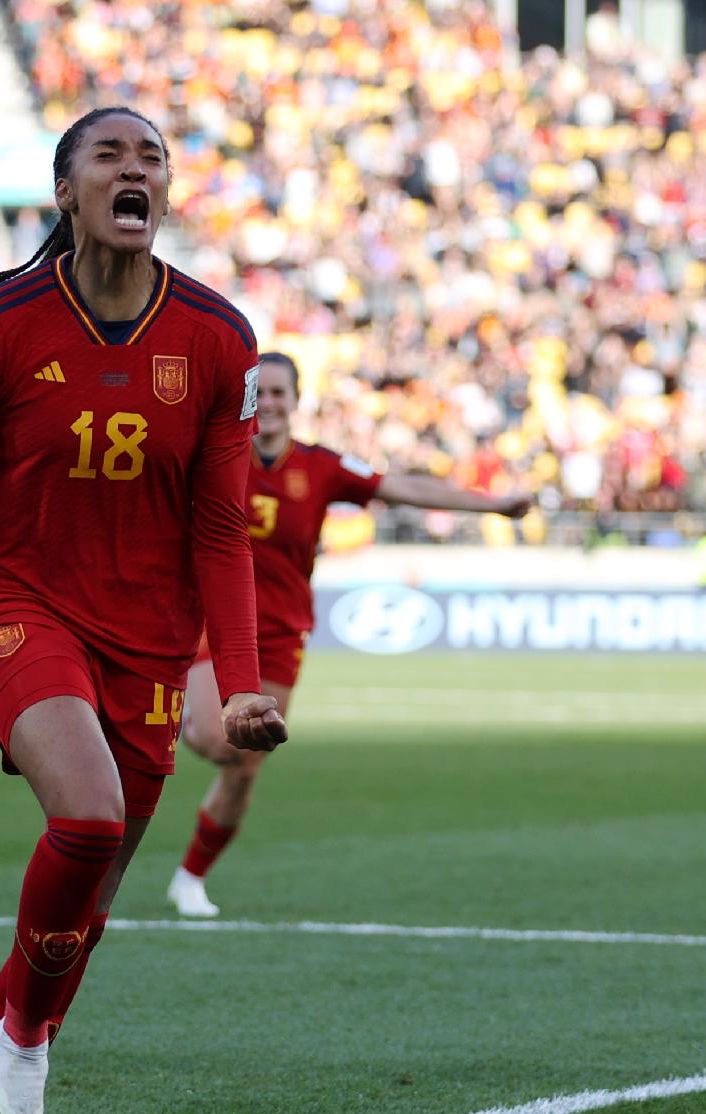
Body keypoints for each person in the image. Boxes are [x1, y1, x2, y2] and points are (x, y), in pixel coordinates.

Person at [0, 106, 287, 1114]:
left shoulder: (218, 338)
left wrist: (240, 681)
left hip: (148, 634)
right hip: (17, 603)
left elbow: (219, 531)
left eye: (152, 155)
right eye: (111, 153)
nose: (136, 168)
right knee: (92, 822)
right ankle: (25, 1053)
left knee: (86, 911)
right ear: (66, 190)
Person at [165, 353, 531, 918]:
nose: (271, 402)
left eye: (281, 392)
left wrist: (492, 505)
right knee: (219, 738)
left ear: (297, 400)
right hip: (212, 623)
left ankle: (190, 877)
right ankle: (172, 720)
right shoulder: (214, 454)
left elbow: (401, 487)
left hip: (282, 634)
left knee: (244, 765)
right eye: (261, 392)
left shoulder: (321, 466)